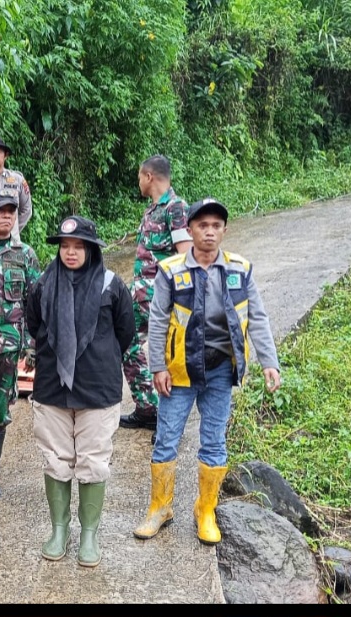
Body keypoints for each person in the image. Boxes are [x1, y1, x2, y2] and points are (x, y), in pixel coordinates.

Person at [133, 198, 281, 545]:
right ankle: (160, 507)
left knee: (214, 441)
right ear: (190, 230)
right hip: (180, 373)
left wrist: (269, 362)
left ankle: (205, 510)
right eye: (203, 225)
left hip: (220, 371)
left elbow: (257, 317)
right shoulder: (171, 271)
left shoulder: (240, 270)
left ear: (224, 230)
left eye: (216, 226)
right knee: (166, 439)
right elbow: (158, 320)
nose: (210, 232)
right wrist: (158, 367)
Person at [25, 216, 134, 566]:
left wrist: (98, 358)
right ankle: (59, 530)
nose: (70, 252)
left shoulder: (111, 285)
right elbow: (34, 325)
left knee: (93, 460)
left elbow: (126, 332)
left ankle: (89, 534)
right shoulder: (43, 284)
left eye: (78, 246)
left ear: (91, 249)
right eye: (65, 246)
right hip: (51, 388)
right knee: (55, 458)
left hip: (97, 387)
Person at [0, 190, 41, 502]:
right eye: (0, 210)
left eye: (11, 211)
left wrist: (33, 346)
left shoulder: (24, 254)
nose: (7, 215)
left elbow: (34, 302)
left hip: (8, 348)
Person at [120, 155, 192, 439]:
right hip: (141, 297)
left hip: (163, 299)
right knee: (127, 344)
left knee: (167, 356)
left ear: (149, 176)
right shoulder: (152, 210)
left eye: (140, 176)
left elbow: (185, 256)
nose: (138, 182)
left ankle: (170, 423)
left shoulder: (176, 208)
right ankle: (148, 409)